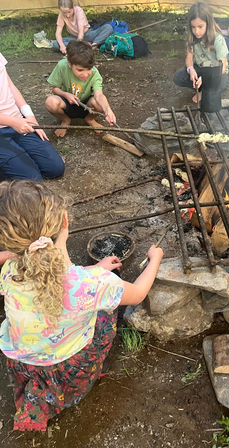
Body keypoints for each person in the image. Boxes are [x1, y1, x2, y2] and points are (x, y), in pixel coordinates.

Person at [0, 180, 164, 431]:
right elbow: (139, 293)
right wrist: (155, 259)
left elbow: (57, 276)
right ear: (65, 222)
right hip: (70, 363)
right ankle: (93, 369)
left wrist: (94, 269)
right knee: (106, 310)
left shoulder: (9, 269)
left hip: (26, 359)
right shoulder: (92, 286)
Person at [0, 52, 64, 181]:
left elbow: (10, 86)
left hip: (18, 120)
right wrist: (12, 122)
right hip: (11, 123)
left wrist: (30, 117)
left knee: (55, 168)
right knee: (33, 180)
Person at [45, 40, 116, 137]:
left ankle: (90, 119)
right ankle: (65, 120)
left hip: (86, 107)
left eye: (89, 69)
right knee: (50, 102)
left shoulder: (95, 74)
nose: (85, 74)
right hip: (67, 104)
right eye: (80, 70)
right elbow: (55, 89)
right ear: (69, 64)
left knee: (99, 104)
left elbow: (99, 95)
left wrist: (108, 110)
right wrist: (66, 95)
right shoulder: (62, 66)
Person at [173, 2, 228, 104]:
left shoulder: (218, 39)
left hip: (215, 72)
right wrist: (191, 70)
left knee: (223, 83)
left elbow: (223, 68)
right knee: (179, 76)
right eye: (193, 27)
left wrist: (207, 78)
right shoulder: (192, 38)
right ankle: (204, 86)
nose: (196, 31)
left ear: (208, 23)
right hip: (200, 69)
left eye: (200, 27)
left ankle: (204, 91)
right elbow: (189, 58)